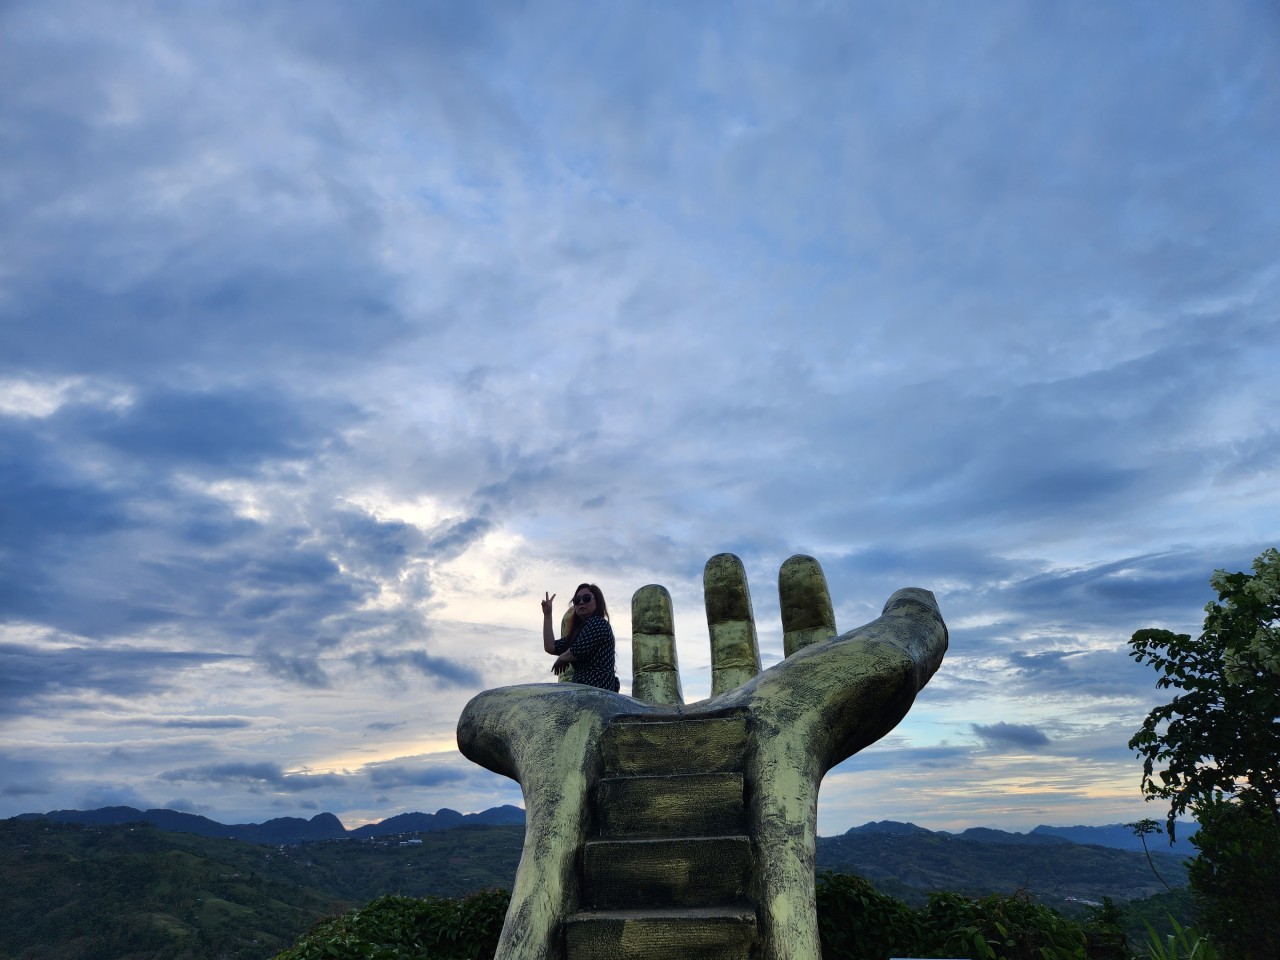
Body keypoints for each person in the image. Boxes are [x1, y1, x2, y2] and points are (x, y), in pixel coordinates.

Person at [541, 583, 620, 692]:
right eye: (577, 600)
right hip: (582, 692)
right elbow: (550, 647)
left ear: (597, 601)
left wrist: (562, 658)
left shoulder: (599, 623)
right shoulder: (579, 633)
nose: (581, 602)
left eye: (586, 598)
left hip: (599, 690)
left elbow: (576, 651)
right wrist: (547, 615)